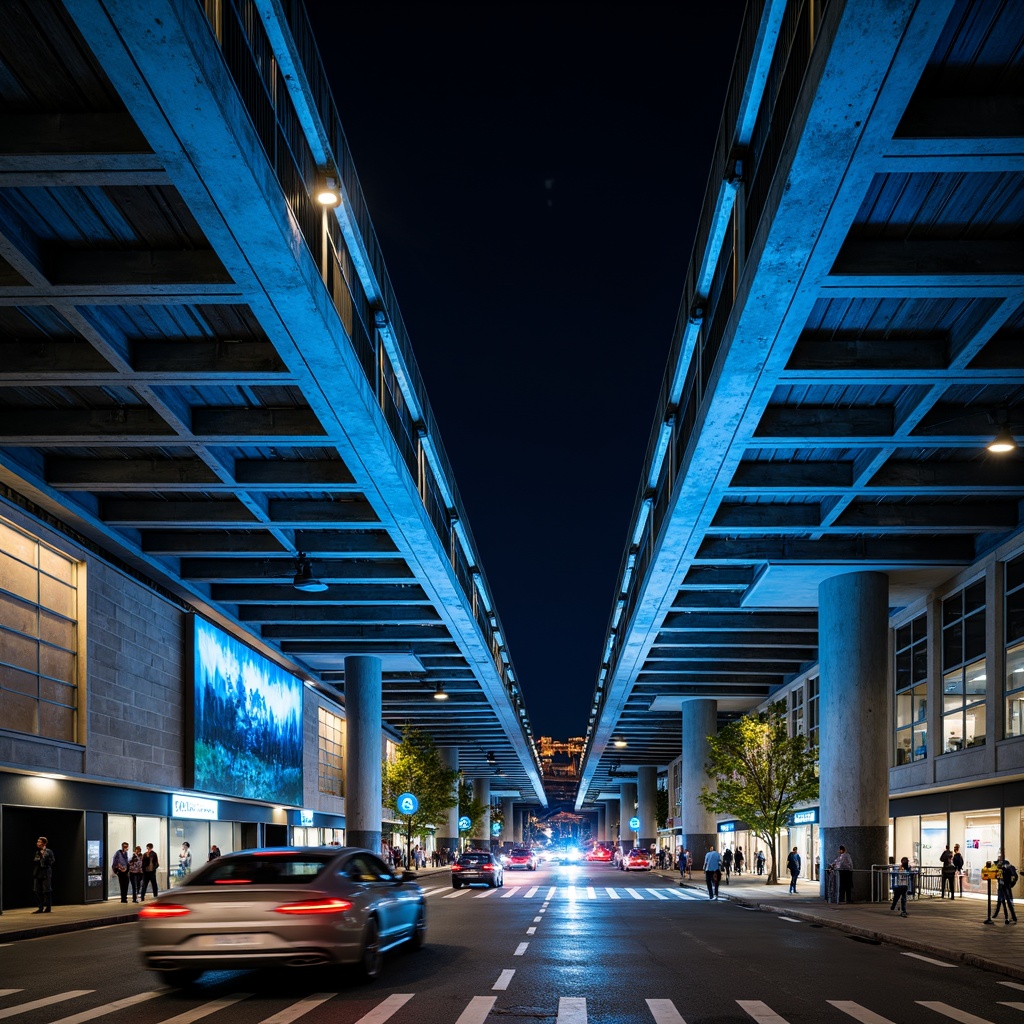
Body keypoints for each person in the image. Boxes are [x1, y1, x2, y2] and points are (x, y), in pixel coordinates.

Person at [32, 837, 55, 913]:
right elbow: (35, 860)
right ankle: (40, 907)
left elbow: (52, 860)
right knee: (37, 890)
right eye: (37, 841)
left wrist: (45, 860)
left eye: (39, 842)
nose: (38, 843)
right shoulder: (37, 852)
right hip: (38, 872)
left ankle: (48, 907)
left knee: (46, 890)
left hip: (46, 872)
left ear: (44, 843)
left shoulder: (48, 851)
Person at [995, 857, 1018, 924]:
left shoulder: (1005, 867)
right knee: (1006, 901)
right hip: (1004, 886)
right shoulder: (1005, 867)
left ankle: (1009, 917)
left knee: (1006, 901)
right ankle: (1010, 917)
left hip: (1005, 886)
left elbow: (1012, 877)